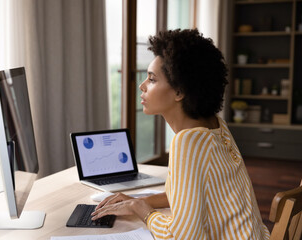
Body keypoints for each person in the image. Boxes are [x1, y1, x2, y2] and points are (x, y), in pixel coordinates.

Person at [91, 29, 270, 239]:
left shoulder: (188, 141)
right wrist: (137, 201)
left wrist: (142, 211)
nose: (142, 86)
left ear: (179, 91)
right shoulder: (215, 126)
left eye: (151, 79)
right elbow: (188, 196)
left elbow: (182, 236)